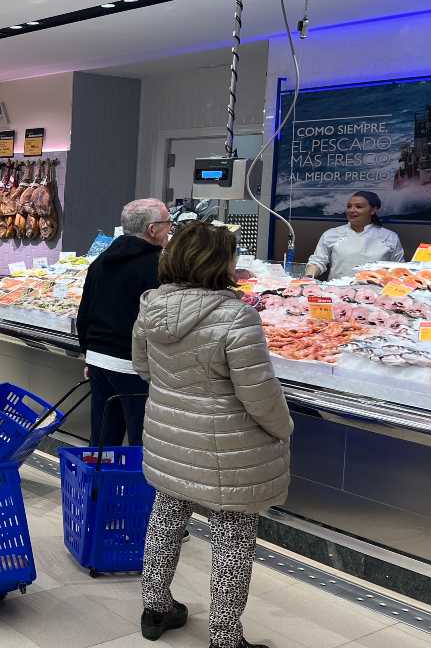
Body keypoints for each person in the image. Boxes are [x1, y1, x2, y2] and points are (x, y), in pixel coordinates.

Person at [132, 221, 292, 648]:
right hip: (229, 448)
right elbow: (258, 393)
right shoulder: (236, 315)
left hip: (170, 438)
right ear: (221, 262)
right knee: (233, 539)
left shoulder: (151, 306)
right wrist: (283, 428)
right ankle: (224, 635)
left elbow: (144, 368)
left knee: (165, 520)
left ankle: (155, 607)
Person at [75, 198, 170, 447]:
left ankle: (100, 485)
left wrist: (88, 352)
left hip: (98, 359)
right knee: (143, 441)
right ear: (152, 229)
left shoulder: (101, 261)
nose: (170, 229)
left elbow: (85, 310)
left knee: (103, 440)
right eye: (168, 223)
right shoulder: (159, 266)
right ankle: (141, 487)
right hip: (133, 365)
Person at [305, 190, 403, 280]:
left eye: (359, 207)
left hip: (377, 294)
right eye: (349, 206)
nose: (352, 210)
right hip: (337, 293)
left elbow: (399, 269)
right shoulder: (331, 234)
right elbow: (317, 261)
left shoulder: (390, 237)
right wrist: (308, 277)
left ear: (373, 210)